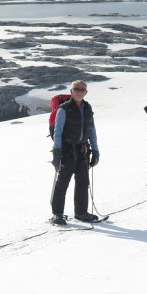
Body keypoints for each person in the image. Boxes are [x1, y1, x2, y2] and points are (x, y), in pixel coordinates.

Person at [50, 80, 100, 225]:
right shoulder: (64, 109)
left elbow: (92, 130)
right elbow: (57, 132)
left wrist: (95, 150)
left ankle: (81, 213)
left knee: (83, 182)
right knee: (62, 183)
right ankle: (57, 214)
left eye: (82, 89)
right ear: (71, 91)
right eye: (76, 89)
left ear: (86, 92)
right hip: (67, 151)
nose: (79, 91)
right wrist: (57, 153)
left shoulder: (88, 108)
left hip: (83, 151)